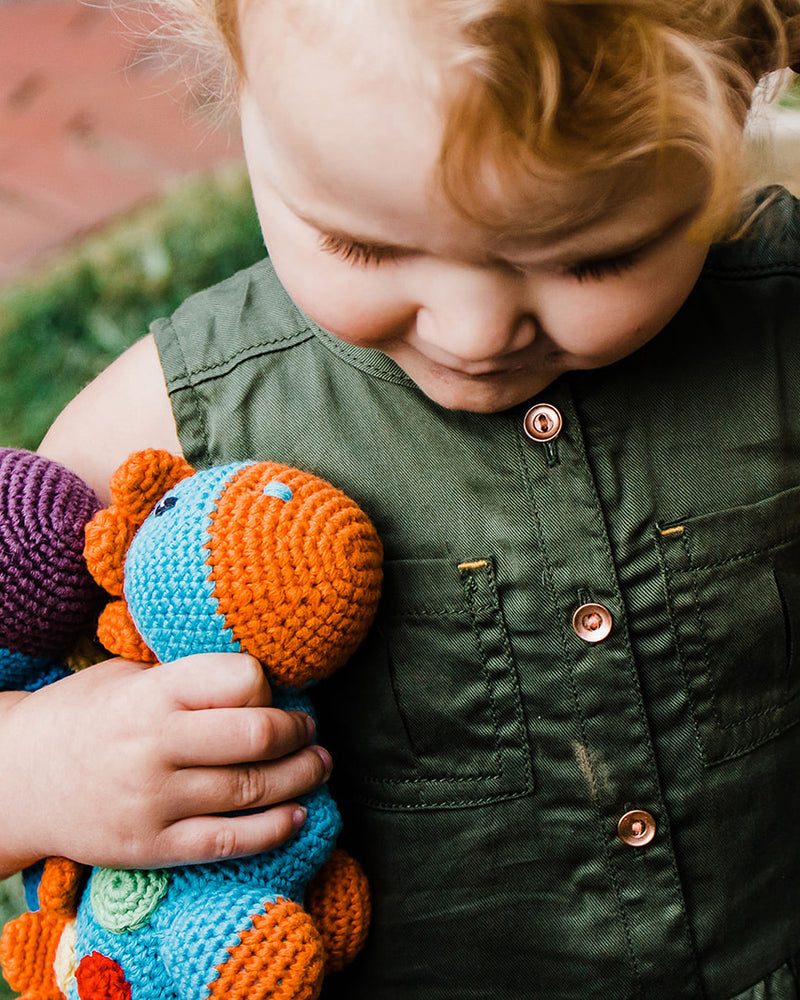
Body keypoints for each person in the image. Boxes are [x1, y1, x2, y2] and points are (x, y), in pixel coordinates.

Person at [3, 1, 800, 996]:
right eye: (361, 245)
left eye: (588, 257)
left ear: (748, 90)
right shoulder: (155, 433)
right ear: (242, 94)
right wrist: (31, 773)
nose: (471, 332)